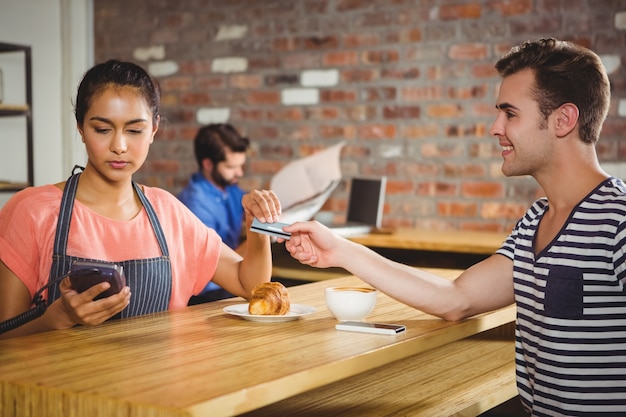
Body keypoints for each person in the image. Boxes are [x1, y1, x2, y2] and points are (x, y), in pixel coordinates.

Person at [283, 38, 626, 415]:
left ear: (563, 120)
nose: (495, 127)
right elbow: (456, 299)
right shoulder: (535, 222)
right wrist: (341, 250)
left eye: (510, 114)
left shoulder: (618, 219)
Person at [0, 59, 282, 340]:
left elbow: (250, 284)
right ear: (81, 128)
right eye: (102, 129)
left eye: (134, 130)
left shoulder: (168, 212)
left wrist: (257, 226)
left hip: (158, 383)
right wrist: (58, 318)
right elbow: (5, 337)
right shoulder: (31, 211)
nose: (119, 147)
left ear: (154, 129)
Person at [177, 123, 250, 302]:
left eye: (241, 166)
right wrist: (261, 234)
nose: (239, 173)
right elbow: (219, 266)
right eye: (232, 167)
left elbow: (245, 206)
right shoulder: (194, 205)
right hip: (208, 293)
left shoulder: (229, 188)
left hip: (232, 280)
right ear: (208, 164)